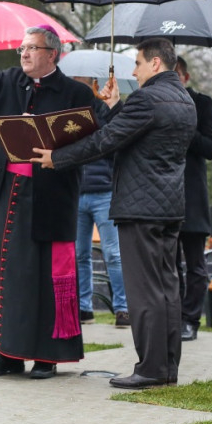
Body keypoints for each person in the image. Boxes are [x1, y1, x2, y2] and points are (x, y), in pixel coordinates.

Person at [0, 9, 107, 380]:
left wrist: (65, 148)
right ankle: (8, 354)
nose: (24, 54)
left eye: (32, 48)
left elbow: (102, 138)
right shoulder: (9, 82)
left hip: (50, 199)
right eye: (22, 48)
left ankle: (46, 357)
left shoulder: (76, 93)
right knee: (5, 276)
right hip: (6, 195)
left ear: (52, 54)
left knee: (42, 278)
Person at [32, 38, 196, 389]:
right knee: (167, 288)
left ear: (155, 63)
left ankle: (150, 368)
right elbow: (139, 135)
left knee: (144, 292)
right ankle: (167, 367)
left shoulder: (147, 98)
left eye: (137, 63)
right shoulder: (184, 99)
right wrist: (116, 105)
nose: (133, 71)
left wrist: (57, 158)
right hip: (169, 208)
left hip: (140, 208)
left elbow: (106, 140)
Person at [71, 77, 129, 329]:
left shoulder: (104, 109)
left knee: (113, 253)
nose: (78, 84)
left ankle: (123, 308)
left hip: (103, 191)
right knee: (79, 254)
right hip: (76, 191)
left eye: (83, 80)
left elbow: (115, 143)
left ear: (93, 82)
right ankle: (84, 308)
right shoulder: (68, 111)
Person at [175, 57, 212, 342]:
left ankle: (191, 319)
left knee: (195, 265)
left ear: (186, 77)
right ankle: (173, 317)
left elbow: (211, 148)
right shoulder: (155, 104)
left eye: (176, 74)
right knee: (168, 266)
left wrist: (185, 126)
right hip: (161, 196)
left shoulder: (203, 104)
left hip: (191, 197)